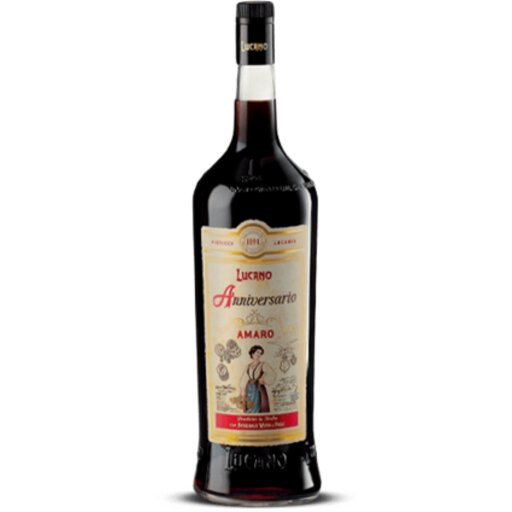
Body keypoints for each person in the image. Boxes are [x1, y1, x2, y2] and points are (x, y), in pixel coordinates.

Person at [239, 345, 276, 413]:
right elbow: (243, 378)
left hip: (258, 389)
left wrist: (264, 379)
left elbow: (272, 375)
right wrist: (242, 389)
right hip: (249, 389)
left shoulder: (263, 364)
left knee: (258, 405)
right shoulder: (248, 366)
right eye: (258, 352)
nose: (259, 354)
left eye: (260, 353)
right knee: (249, 406)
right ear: (253, 353)